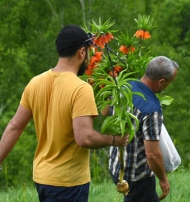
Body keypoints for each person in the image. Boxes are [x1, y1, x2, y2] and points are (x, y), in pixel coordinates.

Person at [0, 25, 129, 201]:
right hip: (68, 182)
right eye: (89, 52)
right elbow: (85, 137)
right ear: (82, 52)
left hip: (42, 178)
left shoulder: (35, 83)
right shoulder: (80, 89)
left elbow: (15, 126)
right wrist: (114, 140)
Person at [107, 56, 178, 201]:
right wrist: (163, 179)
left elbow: (104, 111)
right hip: (137, 177)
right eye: (169, 83)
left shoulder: (123, 85)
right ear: (161, 82)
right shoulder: (151, 109)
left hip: (116, 166)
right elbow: (152, 154)